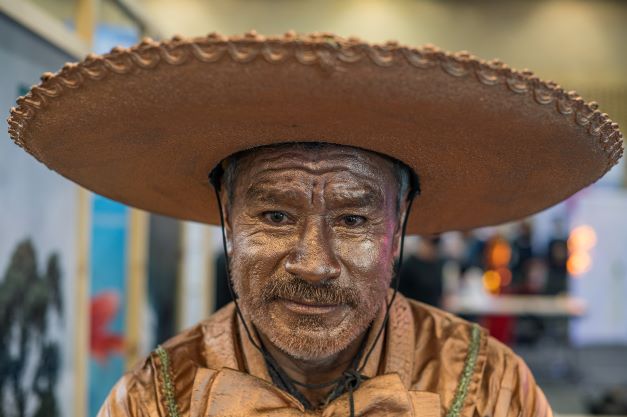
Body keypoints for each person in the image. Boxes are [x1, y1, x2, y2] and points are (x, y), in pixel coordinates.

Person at [7, 32, 623, 417]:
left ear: (399, 225)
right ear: (226, 218)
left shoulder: (492, 385)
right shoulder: (153, 398)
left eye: (353, 217)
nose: (313, 261)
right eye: (275, 215)